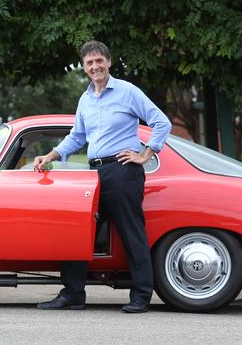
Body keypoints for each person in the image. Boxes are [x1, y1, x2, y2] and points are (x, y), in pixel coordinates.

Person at [33, 40, 171, 313]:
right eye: (89, 63)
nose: (95, 66)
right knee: (78, 232)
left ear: (108, 62)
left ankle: (141, 296)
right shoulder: (85, 99)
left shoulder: (127, 91)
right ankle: (73, 294)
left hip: (123, 172)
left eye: (99, 61)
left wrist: (145, 155)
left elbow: (161, 122)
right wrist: (50, 156)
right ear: (84, 68)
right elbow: (77, 137)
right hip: (93, 174)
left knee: (132, 233)